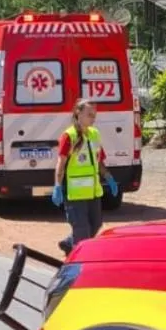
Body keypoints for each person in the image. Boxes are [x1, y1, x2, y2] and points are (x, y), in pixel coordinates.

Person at [51, 99, 119, 255]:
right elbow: (61, 163)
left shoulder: (94, 134)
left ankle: (69, 243)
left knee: (96, 224)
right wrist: (57, 185)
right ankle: (78, 263)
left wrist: (109, 178)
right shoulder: (69, 136)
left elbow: (99, 161)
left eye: (94, 115)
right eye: (89, 114)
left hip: (93, 192)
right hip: (75, 194)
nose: (93, 118)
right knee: (82, 230)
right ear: (78, 113)